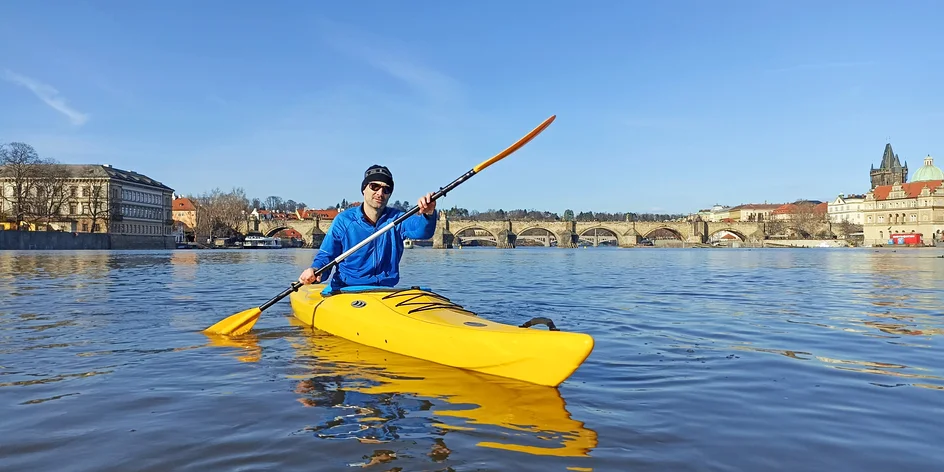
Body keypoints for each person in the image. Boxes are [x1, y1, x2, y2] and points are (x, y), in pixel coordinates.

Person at [297, 164, 437, 292]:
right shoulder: (344, 221)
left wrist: (429, 213)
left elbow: (423, 231)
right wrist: (315, 270)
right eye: (374, 186)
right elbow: (326, 255)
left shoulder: (398, 220)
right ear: (364, 189)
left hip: (385, 292)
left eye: (386, 189)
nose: (380, 193)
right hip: (347, 291)